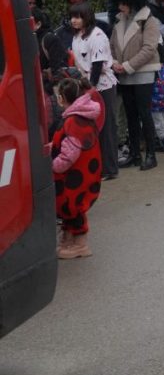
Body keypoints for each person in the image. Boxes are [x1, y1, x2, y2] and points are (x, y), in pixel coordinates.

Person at [47, 77, 106, 260]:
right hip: (80, 174)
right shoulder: (79, 117)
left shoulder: (74, 121)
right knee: (68, 208)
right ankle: (69, 238)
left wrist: (53, 165)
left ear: (62, 98)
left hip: (74, 177)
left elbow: (69, 154)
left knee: (73, 206)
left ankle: (80, 244)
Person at [109, 0, 163, 171]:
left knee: (143, 113)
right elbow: (113, 45)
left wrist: (128, 65)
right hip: (124, 72)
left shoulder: (149, 20)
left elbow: (149, 48)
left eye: (122, 2)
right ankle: (134, 153)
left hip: (143, 73)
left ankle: (151, 154)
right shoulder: (119, 20)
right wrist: (114, 62)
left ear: (131, 1)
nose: (119, 6)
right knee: (130, 114)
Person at [67, 2, 120, 181]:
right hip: (87, 85)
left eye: (78, 17)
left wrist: (91, 90)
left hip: (102, 86)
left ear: (87, 17)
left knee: (107, 127)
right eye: (72, 17)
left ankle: (110, 168)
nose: (74, 20)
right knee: (93, 128)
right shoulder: (76, 36)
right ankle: (98, 166)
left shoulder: (97, 35)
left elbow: (97, 66)